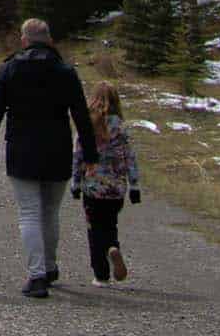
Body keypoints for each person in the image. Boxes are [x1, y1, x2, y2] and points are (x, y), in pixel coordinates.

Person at [0, 17, 97, 299]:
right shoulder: (66, 71)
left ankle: (37, 274)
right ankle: (51, 266)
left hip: (22, 151)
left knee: (29, 213)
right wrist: (90, 153)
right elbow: (81, 115)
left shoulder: (9, 69)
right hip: (57, 149)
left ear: (24, 40)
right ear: (49, 40)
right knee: (50, 212)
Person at [72, 81, 142, 286]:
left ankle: (101, 274)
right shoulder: (121, 127)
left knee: (94, 228)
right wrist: (135, 185)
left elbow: (78, 155)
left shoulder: (87, 124)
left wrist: (75, 182)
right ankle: (113, 247)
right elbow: (130, 157)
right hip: (116, 188)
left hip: (93, 187)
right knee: (110, 224)